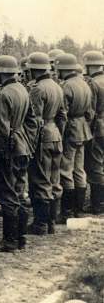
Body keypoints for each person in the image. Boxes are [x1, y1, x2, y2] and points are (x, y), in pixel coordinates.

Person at [0, 55, 37, 253]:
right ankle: (20, 238)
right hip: (22, 145)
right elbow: (32, 121)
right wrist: (27, 142)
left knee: (8, 194)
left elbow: (0, 128)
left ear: (1, 74)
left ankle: (9, 241)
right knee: (19, 192)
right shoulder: (23, 90)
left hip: (9, 148)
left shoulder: (4, 94)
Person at [26, 52, 67, 235]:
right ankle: (50, 223)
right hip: (56, 135)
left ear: (34, 69)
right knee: (54, 180)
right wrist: (58, 133)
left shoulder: (37, 89)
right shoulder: (57, 87)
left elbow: (35, 120)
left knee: (41, 180)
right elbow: (62, 116)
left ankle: (41, 225)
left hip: (42, 137)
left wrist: (31, 144)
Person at [53, 53, 93, 222]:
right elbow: (90, 112)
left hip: (71, 130)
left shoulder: (66, 86)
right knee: (79, 169)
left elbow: (63, 114)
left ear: (63, 69)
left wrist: (60, 133)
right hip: (83, 129)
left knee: (66, 169)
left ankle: (67, 211)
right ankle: (79, 209)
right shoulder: (84, 84)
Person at [83, 51, 104, 214]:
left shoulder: (93, 83)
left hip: (99, 128)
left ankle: (98, 204)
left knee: (96, 164)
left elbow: (90, 111)